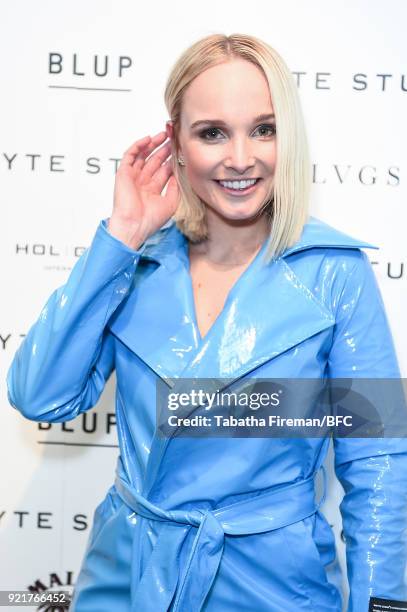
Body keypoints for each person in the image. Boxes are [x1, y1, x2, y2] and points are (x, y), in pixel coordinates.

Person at [6, 33, 407, 612]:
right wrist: (120, 237)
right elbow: (40, 396)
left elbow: (378, 459)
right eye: (212, 132)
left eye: (263, 129)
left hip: (270, 584)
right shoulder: (134, 262)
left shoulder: (337, 275)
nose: (241, 158)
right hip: (128, 572)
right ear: (176, 141)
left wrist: (384, 603)